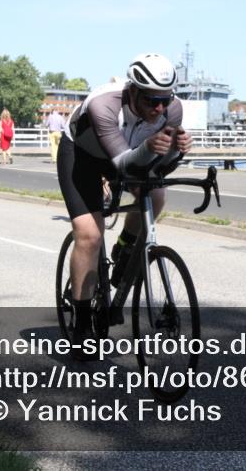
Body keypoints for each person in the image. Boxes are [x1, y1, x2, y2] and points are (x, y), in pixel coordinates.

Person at [57, 53, 192, 360]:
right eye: (151, 100)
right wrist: (149, 148)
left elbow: (160, 168)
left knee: (156, 196)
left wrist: (177, 152)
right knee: (89, 234)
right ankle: (81, 324)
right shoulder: (103, 105)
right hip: (83, 156)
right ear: (132, 91)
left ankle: (124, 247)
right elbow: (122, 164)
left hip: (131, 153)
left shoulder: (173, 109)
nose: (159, 108)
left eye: (165, 99)